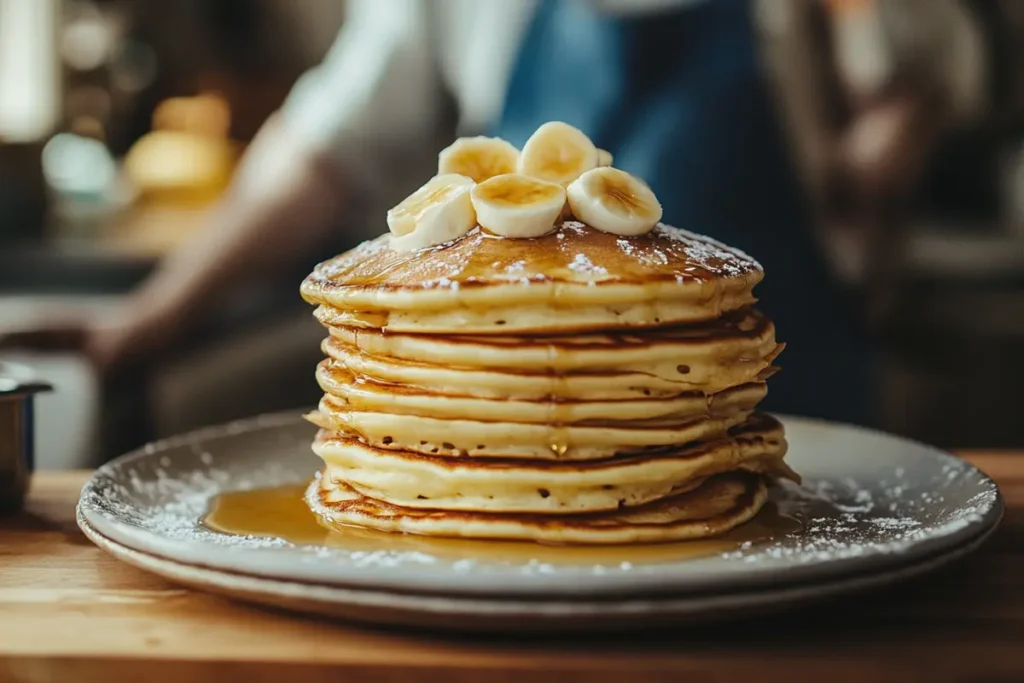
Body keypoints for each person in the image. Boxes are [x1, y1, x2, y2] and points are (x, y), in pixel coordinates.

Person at [4, 0, 891, 424]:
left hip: (774, 391)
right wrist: (154, 314)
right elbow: (325, 146)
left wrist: (883, 146)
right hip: (509, 413)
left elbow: (927, 72)